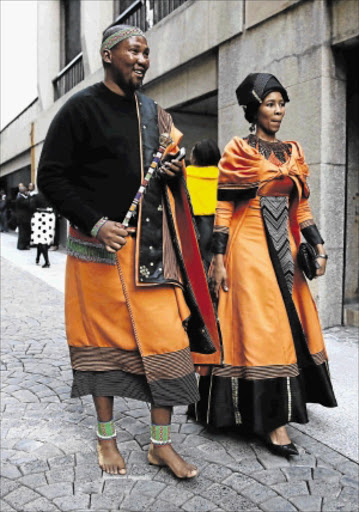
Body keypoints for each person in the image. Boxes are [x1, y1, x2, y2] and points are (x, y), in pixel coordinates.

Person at [37, 24, 220, 478]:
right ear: (106, 55)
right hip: (98, 253)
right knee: (103, 349)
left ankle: (161, 446)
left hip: (153, 253)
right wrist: (97, 224)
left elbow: (170, 167)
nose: (142, 59)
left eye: (146, 52)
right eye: (132, 51)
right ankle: (106, 440)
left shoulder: (154, 112)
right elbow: (51, 177)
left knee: (170, 343)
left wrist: (175, 168)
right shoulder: (79, 109)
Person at [190, 73, 337, 457]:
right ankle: (273, 424)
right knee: (262, 329)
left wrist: (319, 246)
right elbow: (223, 207)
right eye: (270, 104)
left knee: (290, 326)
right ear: (253, 109)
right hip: (248, 248)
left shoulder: (294, 151)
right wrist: (218, 259)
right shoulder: (239, 149)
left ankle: (271, 412)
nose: (278, 111)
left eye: (281, 103)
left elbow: (301, 207)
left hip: (285, 249)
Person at [186, 139, 220, 270]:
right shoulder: (225, 176)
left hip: (194, 222)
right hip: (219, 222)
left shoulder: (186, 175)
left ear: (195, 158)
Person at [30, 192, 56, 268]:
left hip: (40, 217)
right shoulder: (51, 195)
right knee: (43, 239)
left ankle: (47, 262)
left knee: (41, 240)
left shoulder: (36, 196)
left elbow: (31, 207)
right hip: (50, 217)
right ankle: (37, 258)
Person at [15, 184, 32, 250]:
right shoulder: (20, 198)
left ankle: (23, 245)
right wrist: (29, 196)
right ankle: (22, 246)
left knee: (23, 232)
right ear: (24, 191)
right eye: (26, 190)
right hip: (23, 218)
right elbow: (28, 203)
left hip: (22, 218)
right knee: (23, 232)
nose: (27, 191)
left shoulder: (20, 197)